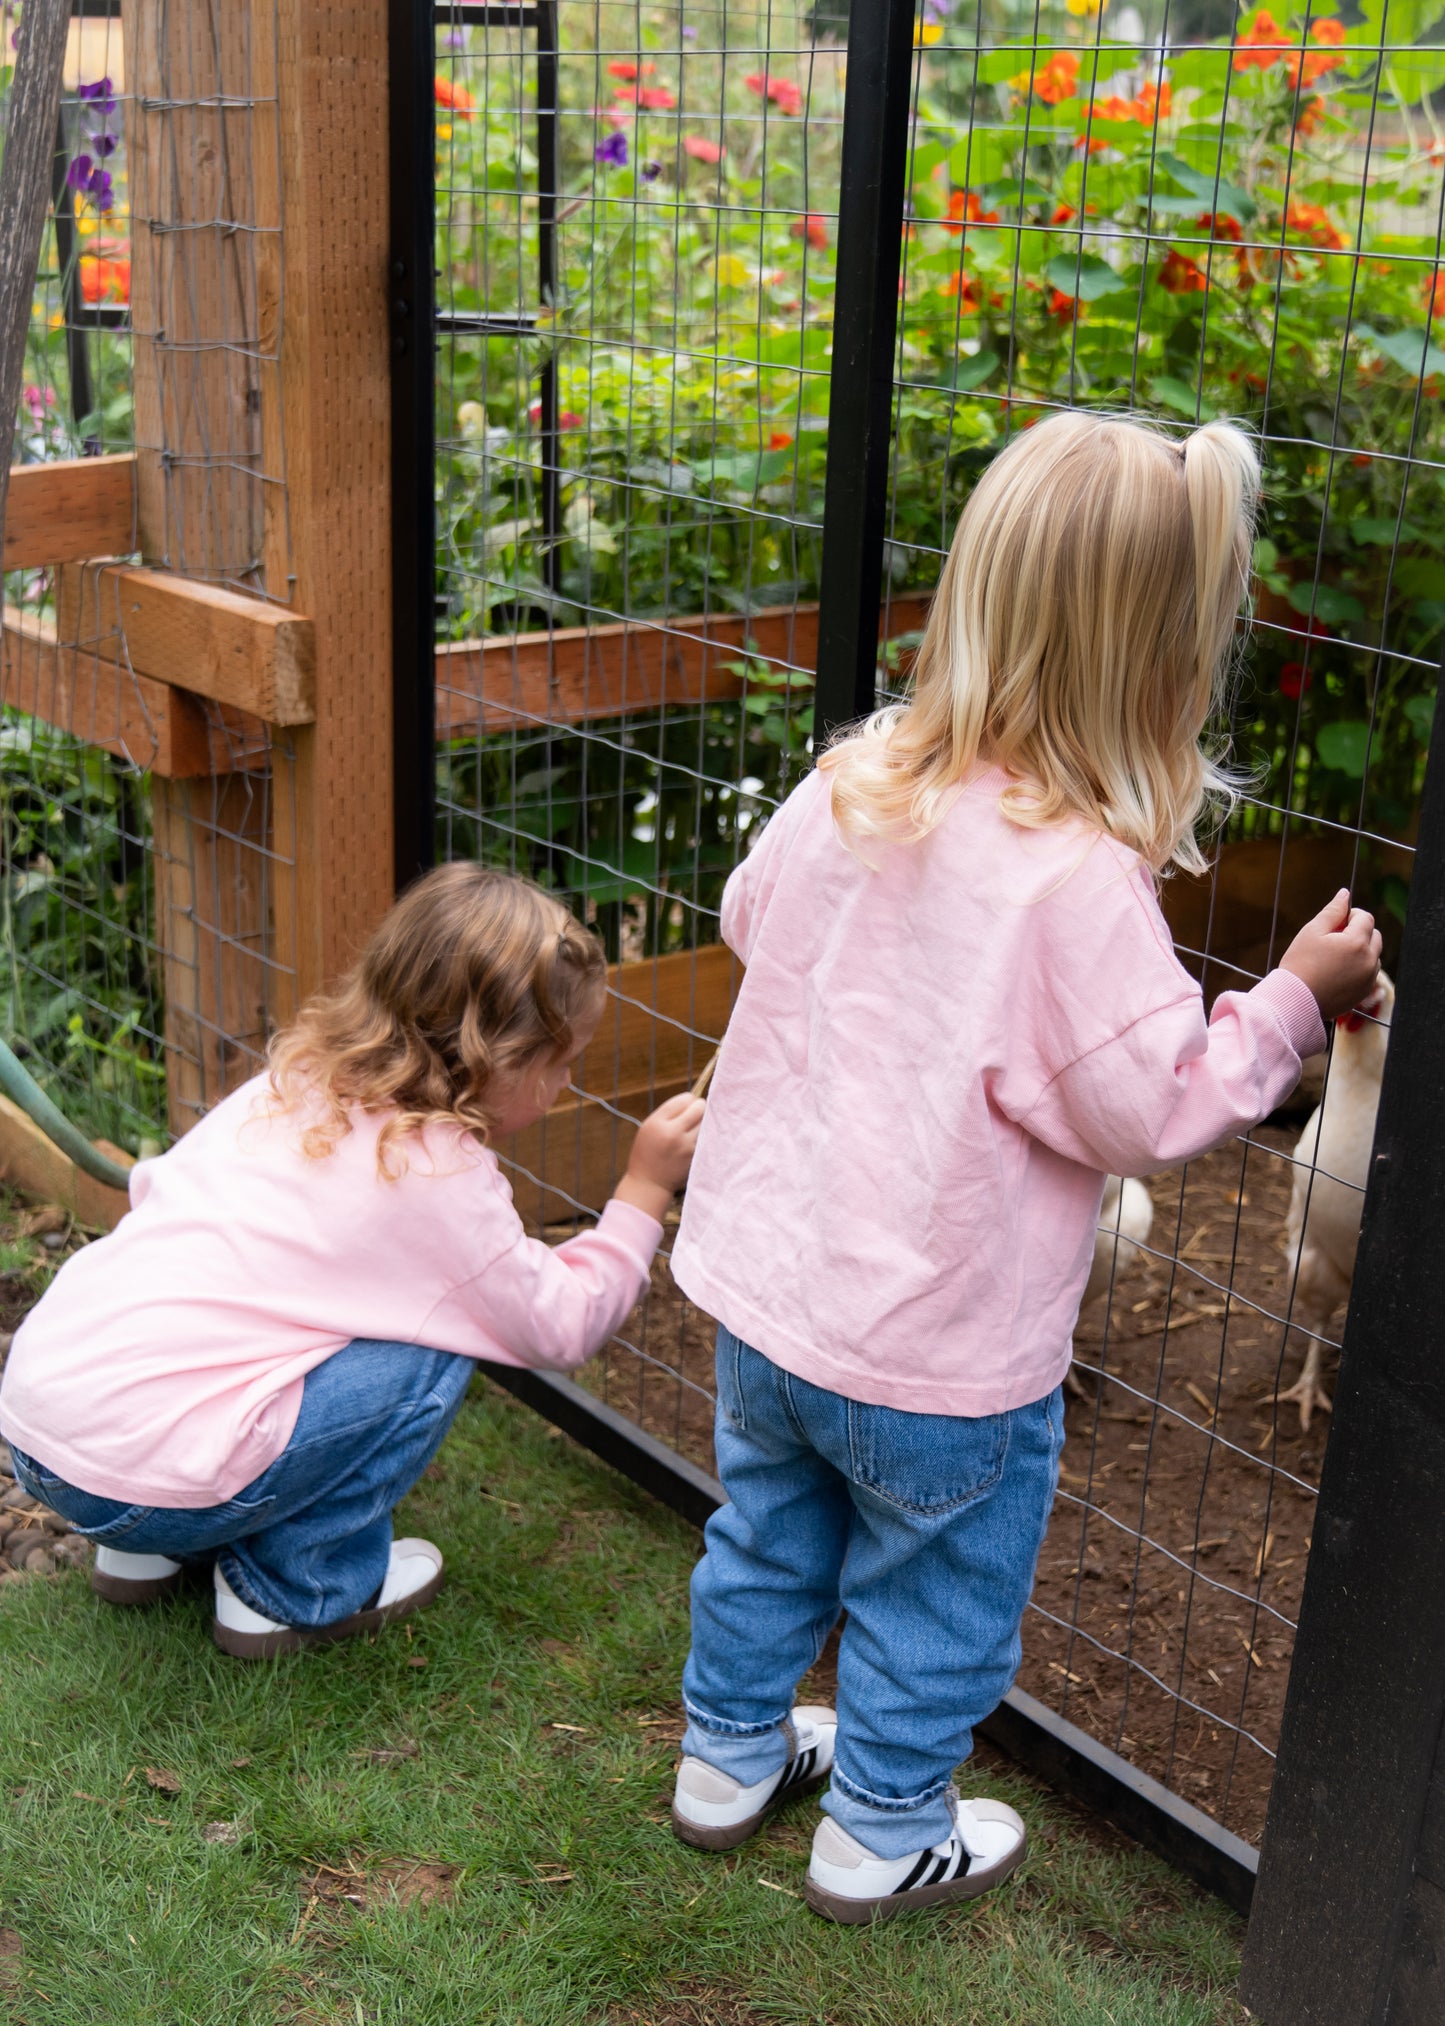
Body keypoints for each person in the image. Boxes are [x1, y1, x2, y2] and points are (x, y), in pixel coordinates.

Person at [666, 411, 1382, 1923]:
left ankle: (724, 1756)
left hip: (771, 1298)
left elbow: (746, 919)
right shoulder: (1076, 881)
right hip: (939, 1352)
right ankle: (880, 1824)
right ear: (1165, 661)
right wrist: (1284, 1007)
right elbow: (1146, 1109)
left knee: (766, 1528)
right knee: (935, 1592)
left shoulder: (853, 777)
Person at [0, 866, 703, 1658]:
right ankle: (296, 1590)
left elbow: (155, 1191)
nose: (567, 1083)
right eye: (561, 1061)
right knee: (437, 1337)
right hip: (145, 1475)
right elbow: (560, 1326)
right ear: (500, 1057)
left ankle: (142, 1551)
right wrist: (642, 1188)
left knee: (231, 1332)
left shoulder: (296, 1077)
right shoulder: (436, 1174)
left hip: (43, 1430)